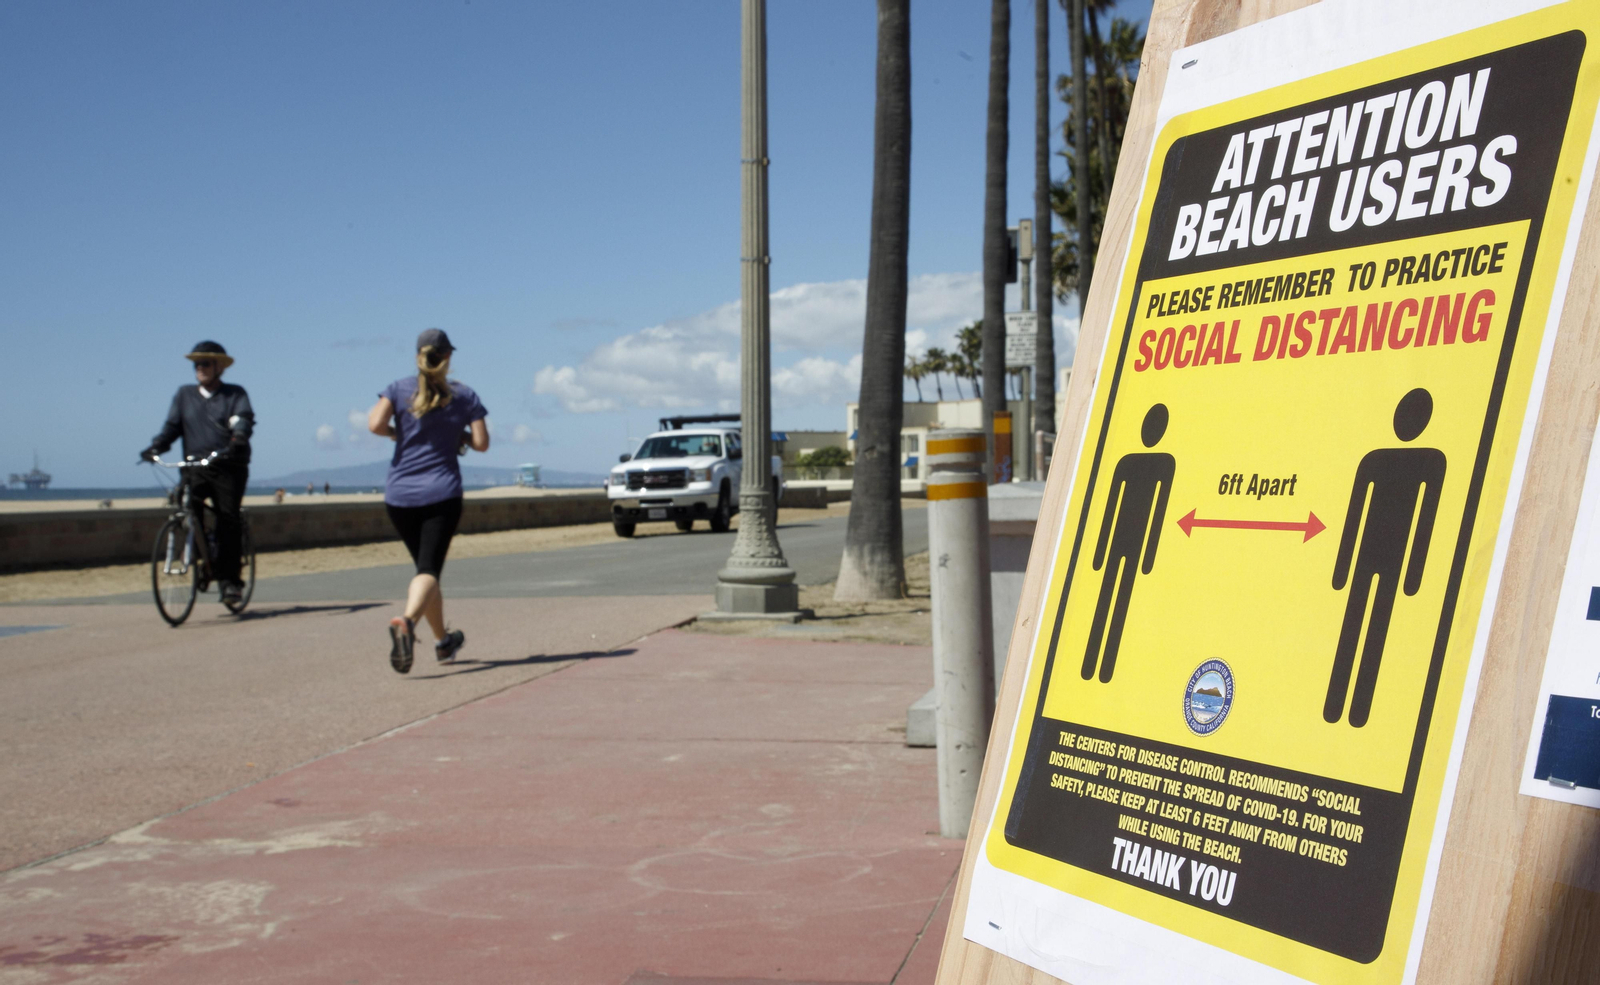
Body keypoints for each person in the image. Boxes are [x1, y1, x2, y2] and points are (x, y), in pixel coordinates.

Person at [368, 328, 488, 673]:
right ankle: (406, 622)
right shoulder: (464, 396)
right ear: (448, 356)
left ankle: (442, 643)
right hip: (441, 494)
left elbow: (375, 423)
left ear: (418, 354)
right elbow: (481, 444)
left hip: (399, 497)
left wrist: (397, 433)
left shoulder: (398, 388)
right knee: (428, 570)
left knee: (426, 570)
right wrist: (457, 434)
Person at [141, 341, 254, 605]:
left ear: (219, 367)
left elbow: (243, 419)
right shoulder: (184, 395)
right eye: (196, 364)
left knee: (228, 519)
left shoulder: (234, 394)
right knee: (188, 508)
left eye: (205, 363)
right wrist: (156, 447)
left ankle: (230, 582)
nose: (199, 368)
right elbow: (172, 428)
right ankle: (204, 556)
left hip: (228, 467)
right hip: (195, 468)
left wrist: (238, 437)